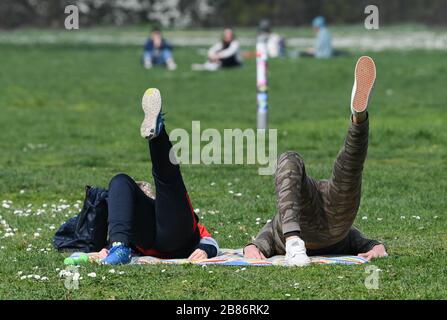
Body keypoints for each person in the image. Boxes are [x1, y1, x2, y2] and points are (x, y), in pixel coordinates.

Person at [244, 56, 388, 266]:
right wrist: (376, 248)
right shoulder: (348, 239)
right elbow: (370, 244)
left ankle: (294, 242)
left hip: (316, 221)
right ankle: (359, 118)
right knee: (349, 168)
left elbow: (258, 243)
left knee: (293, 160)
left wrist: (252, 247)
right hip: (335, 222)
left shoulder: (275, 233)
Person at [102, 88, 218, 265]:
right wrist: (107, 248)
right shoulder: (127, 215)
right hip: (155, 238)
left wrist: (204, 250)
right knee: (125, 180)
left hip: (176, 241)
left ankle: (157, 133)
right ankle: (118, 247)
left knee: (165, 182)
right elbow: (211, 240)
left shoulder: (157, 208)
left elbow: (210, 242)